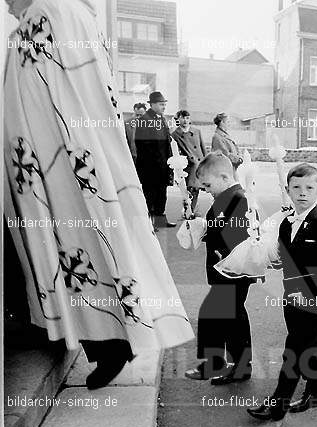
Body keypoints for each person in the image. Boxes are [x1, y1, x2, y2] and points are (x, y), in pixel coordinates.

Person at [4, 0, 193, 389]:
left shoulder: (54, 13)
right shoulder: (38, 20)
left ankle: (111, 344)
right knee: (57, 248)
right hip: (38, 167)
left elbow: (73, 90)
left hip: (62, 160)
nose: (5, 4)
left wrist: (70, 154)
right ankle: (57, 327)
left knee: (82, 243)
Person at [248, 164, 317, 421]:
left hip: (315, 302)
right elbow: (287, 258)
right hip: (290, 298)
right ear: (288, 190)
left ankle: (279, 403)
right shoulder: (286, 224)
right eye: (296, 188)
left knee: (293, 350)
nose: (302, 193)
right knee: (306, 348)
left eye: (309, 188)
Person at [184, 153, 255, 384]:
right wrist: (197, 223)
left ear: (224, 176)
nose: (205, 190)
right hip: (222, 270)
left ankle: (237, 366)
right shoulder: (225, 196)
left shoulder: (239, 198)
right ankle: (216, 363)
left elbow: (242, 236)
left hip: (233, 271)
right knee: (216, 315)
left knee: (231, 318)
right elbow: (216, 226)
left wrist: (212, 234)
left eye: (207, 185)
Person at [135, 91, 176, 228]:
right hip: (150, 167)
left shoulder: (162, 119)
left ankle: (159, 220)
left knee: (161, 194)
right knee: (150, 195)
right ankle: (148, 224)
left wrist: (169, 161)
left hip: (163, 165)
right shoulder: (144, 120)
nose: (164, 107)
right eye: (161, 104)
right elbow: (142, 146)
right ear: (152, 104)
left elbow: (166, 143)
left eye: (164, 104)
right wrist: (156, 162)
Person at [171, 110, 206, 214]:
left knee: (196, 190)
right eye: (182, 118)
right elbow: (174, 150)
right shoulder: (175, 134)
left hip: (198, 164)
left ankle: (191, 210)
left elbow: (202, 148)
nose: (185, 120)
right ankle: (188, 209)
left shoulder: (196, 131)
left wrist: (205, 162)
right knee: (187, 190)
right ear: (178, 119)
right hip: (186, 165)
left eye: (187, 118)